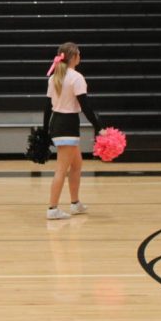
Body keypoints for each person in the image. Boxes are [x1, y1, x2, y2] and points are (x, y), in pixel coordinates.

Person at [44, 42, 103, 220]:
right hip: (68, 124)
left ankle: (75, 203)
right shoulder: (76, 77)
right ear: (74, 57)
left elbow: (47, 107)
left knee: (76, 165)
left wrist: (46, 129)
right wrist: (99, 127)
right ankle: (52, 208)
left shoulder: (54, 77)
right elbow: (86, 106)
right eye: (79, 54)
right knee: (61, 169)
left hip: (57, 122)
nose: (80, 57)